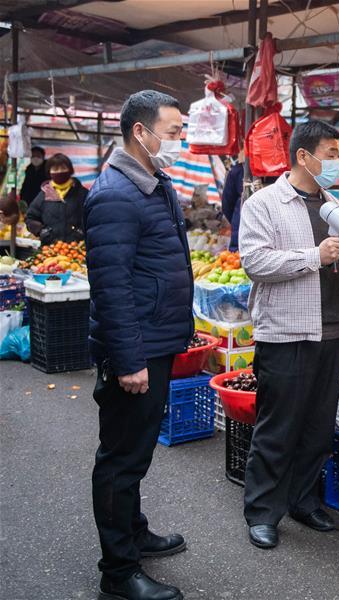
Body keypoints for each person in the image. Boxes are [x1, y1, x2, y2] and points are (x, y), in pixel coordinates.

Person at [84, 90, 193, 600]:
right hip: (136, 347)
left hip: (155, 338)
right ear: (140, 133)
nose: (180, 141)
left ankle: (135, 531)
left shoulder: (151, 183)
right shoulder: (114, 195)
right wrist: (129, 361)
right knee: (121, 459)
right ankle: (118, 572)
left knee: (137, 453)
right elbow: (112, 287)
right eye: (173, 132)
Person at [239, 119, 339, 550]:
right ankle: (262, 512)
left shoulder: (334, 204)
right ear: (304, 156)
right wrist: (312, 256)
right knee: (278, 427)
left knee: (317, 427)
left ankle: (303, 501)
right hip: (286, 333)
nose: (337, 162)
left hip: (331, 333)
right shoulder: (264, 204)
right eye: (332, 153)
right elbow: (255, 262)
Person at [25, 153, 87, 245]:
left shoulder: (81, 193)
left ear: (70, 170)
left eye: (63, 168)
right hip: (50, 249)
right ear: (49, 172)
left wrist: (80, 232)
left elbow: (91, 216)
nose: (59, 172)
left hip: (77, 248)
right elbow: (30, 218)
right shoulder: (44, 194)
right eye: (55, 169)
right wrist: (41, 231)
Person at [221, 156, 243, 252]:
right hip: (239, 230)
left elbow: (227, 205)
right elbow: (227, 205)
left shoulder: (236, 170)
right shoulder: (236, 171)